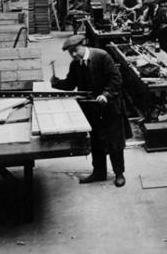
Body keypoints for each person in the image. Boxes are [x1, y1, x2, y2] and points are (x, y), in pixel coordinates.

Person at [50, 34, 127, 187]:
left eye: (75, 50)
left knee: (114, 143)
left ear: (83, 44)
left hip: (109, 107)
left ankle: (119, 174)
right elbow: (71, 84)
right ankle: (99, 172)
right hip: (91, 109)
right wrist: (56, 82)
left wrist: (106, 95)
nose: (73, 54)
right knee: (96, 141)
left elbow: (116, 79)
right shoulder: (75, 64)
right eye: (70, 52)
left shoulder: (102, 56)